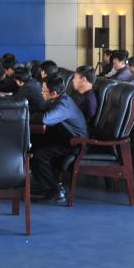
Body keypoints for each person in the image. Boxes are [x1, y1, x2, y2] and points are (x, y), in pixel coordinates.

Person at [31, 76, 87, 205]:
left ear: (54, 93)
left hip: (75, 143)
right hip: (65, 138)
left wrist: (27, 116)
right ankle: (43, 185)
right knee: (34, 145)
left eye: (44, 90)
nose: (41, 93)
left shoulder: (63, 105)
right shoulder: (59, 99)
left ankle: (56, 191)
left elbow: (45, 119)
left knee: (40, 155)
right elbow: (42, 110)